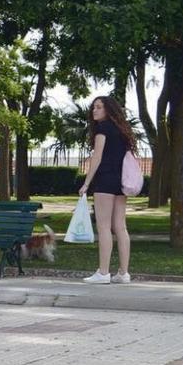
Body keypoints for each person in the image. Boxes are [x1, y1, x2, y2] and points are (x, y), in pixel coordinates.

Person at [79, 96, 134, 285]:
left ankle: (103, 273)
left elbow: (97, 157)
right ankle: (123, 273)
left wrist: (86, 183)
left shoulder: (102, 129)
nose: (95, 110)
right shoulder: (122, 130)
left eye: (99, 107)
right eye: (94, 107)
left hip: (105, 181)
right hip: (121, 183)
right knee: (120, 226)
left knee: (103, 227)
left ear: (108, 110)